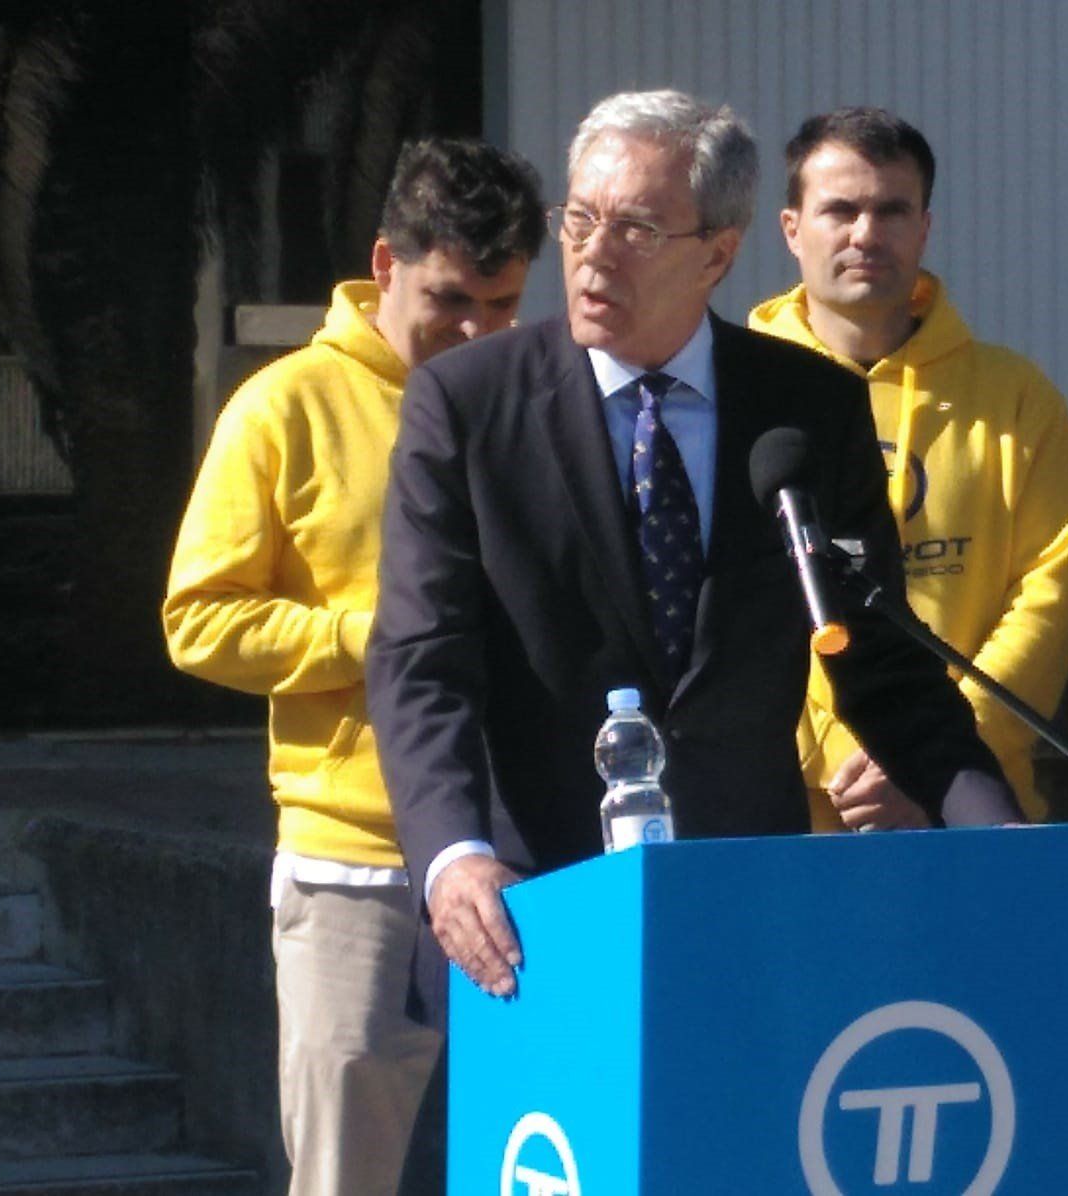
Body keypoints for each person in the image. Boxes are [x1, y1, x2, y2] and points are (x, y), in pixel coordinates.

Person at [365, 89, 1021, 1024]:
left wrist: (995, 838)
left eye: (634, 227)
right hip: (530, 916)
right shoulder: (466, 406)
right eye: (581, 218)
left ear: (718, 250)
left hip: (740, 915)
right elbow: (421, 659)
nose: (593, 252)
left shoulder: (807, 411)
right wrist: (450, 851)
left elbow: (880, 661)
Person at [161, 137, 545, 1196]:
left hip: (533, 850)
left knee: (564, 1157)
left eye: (504, 303)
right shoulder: (282, 407)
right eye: (450, 299)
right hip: (358, 867)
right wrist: (383, 637)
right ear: (386, 265)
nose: (477, 330)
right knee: (345, 1179)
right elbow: (198, 620)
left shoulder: (537, 395)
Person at [750, 107, 1068, 827]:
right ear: (790, 228)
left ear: (925, 227)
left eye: (891, 210)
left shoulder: (1016, 398)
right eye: (839, 209)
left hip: (968, 813)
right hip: (782, 821)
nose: (865, 233)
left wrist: (932, 757)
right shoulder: (735, 391)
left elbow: (1044, 601)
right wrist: (848, 756)